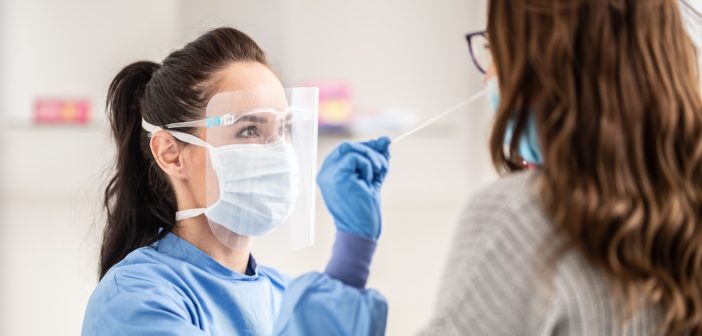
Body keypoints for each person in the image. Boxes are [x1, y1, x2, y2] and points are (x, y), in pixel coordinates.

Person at [282, 0, 702, 335]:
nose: (488, 78)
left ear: (550, 61)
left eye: (498, 48)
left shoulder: (521, 217)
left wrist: (350, 257)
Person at [81, 27, 390, 336]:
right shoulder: (133, 299)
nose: (279, 150)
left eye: (283, 129)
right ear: (171, 153)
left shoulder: (283, 294)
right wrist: (350, 258)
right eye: (249, 130)